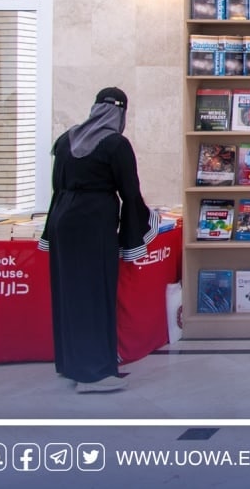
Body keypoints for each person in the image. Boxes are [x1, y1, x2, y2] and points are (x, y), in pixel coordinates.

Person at [39, 88, 158, 393]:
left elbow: (57, 188)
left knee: (69, 293)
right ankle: (92, 374)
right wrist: (141, 227)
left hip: (63, 222)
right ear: (121, 113)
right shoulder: (115, 144)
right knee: (94, 294)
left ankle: (72, 364)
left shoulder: (66, 139)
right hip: (93, 225)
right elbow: (129, 192)